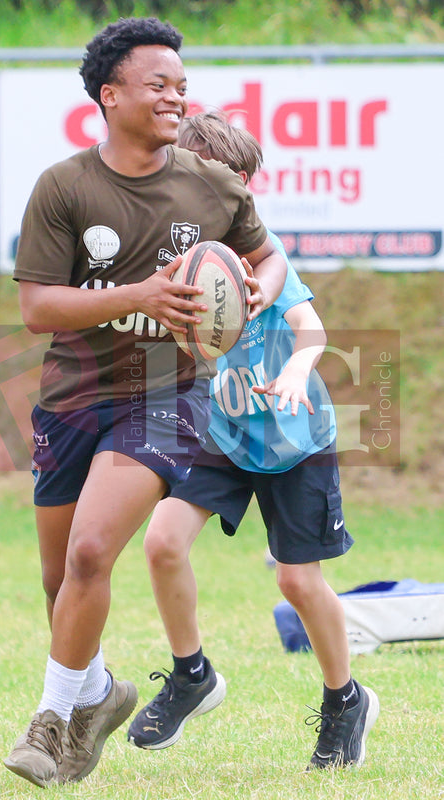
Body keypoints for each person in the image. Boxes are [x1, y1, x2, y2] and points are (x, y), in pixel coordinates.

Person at [3, 20, 287, 788]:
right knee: (59, 579)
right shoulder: (64, 187)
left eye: (181, 84)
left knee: (93, 552)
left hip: (164, 396)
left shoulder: (210, 182)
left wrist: (256, 287)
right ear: (110, 95)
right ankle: (96, 695)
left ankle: (50, 724)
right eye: (158, 84)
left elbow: (266, 252)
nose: (176, 95)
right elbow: (37, 309)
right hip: (70, 399)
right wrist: (138, 296)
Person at [127, 111, 380, 770]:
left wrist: (296, 370)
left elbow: (310, 328)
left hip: (297, 439)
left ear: (239, 186)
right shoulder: (183, 260)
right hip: (225, 434)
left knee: (298, 582)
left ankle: (344, 700)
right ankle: (192, 676)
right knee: (161, 541)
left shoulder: (259, 256)